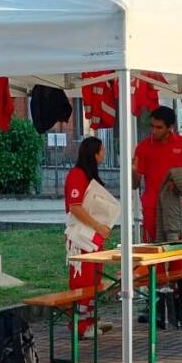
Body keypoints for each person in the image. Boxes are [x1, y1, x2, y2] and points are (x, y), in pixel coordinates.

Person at [133, 106, 182, 276]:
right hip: (151, 208)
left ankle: (179, 294)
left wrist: (177, 186)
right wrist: (132, 171)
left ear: (170, 127)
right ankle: (158, 296)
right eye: (152, 126)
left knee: (179, 252)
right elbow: (134, 184)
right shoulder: (143, 147)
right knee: (155, 254)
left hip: (176, 207)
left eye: (159, 127)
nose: (154, 131)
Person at [64, 137, 113, 339]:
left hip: (92, 238)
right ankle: (79, 325)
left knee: (94, 281)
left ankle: (90, 320)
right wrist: (98, 226)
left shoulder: (87, 175)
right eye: (102, 150)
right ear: (94, 153)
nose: (104, 154)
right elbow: (75, 207)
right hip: (81, 238)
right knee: (82, 282)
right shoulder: (77, 175)